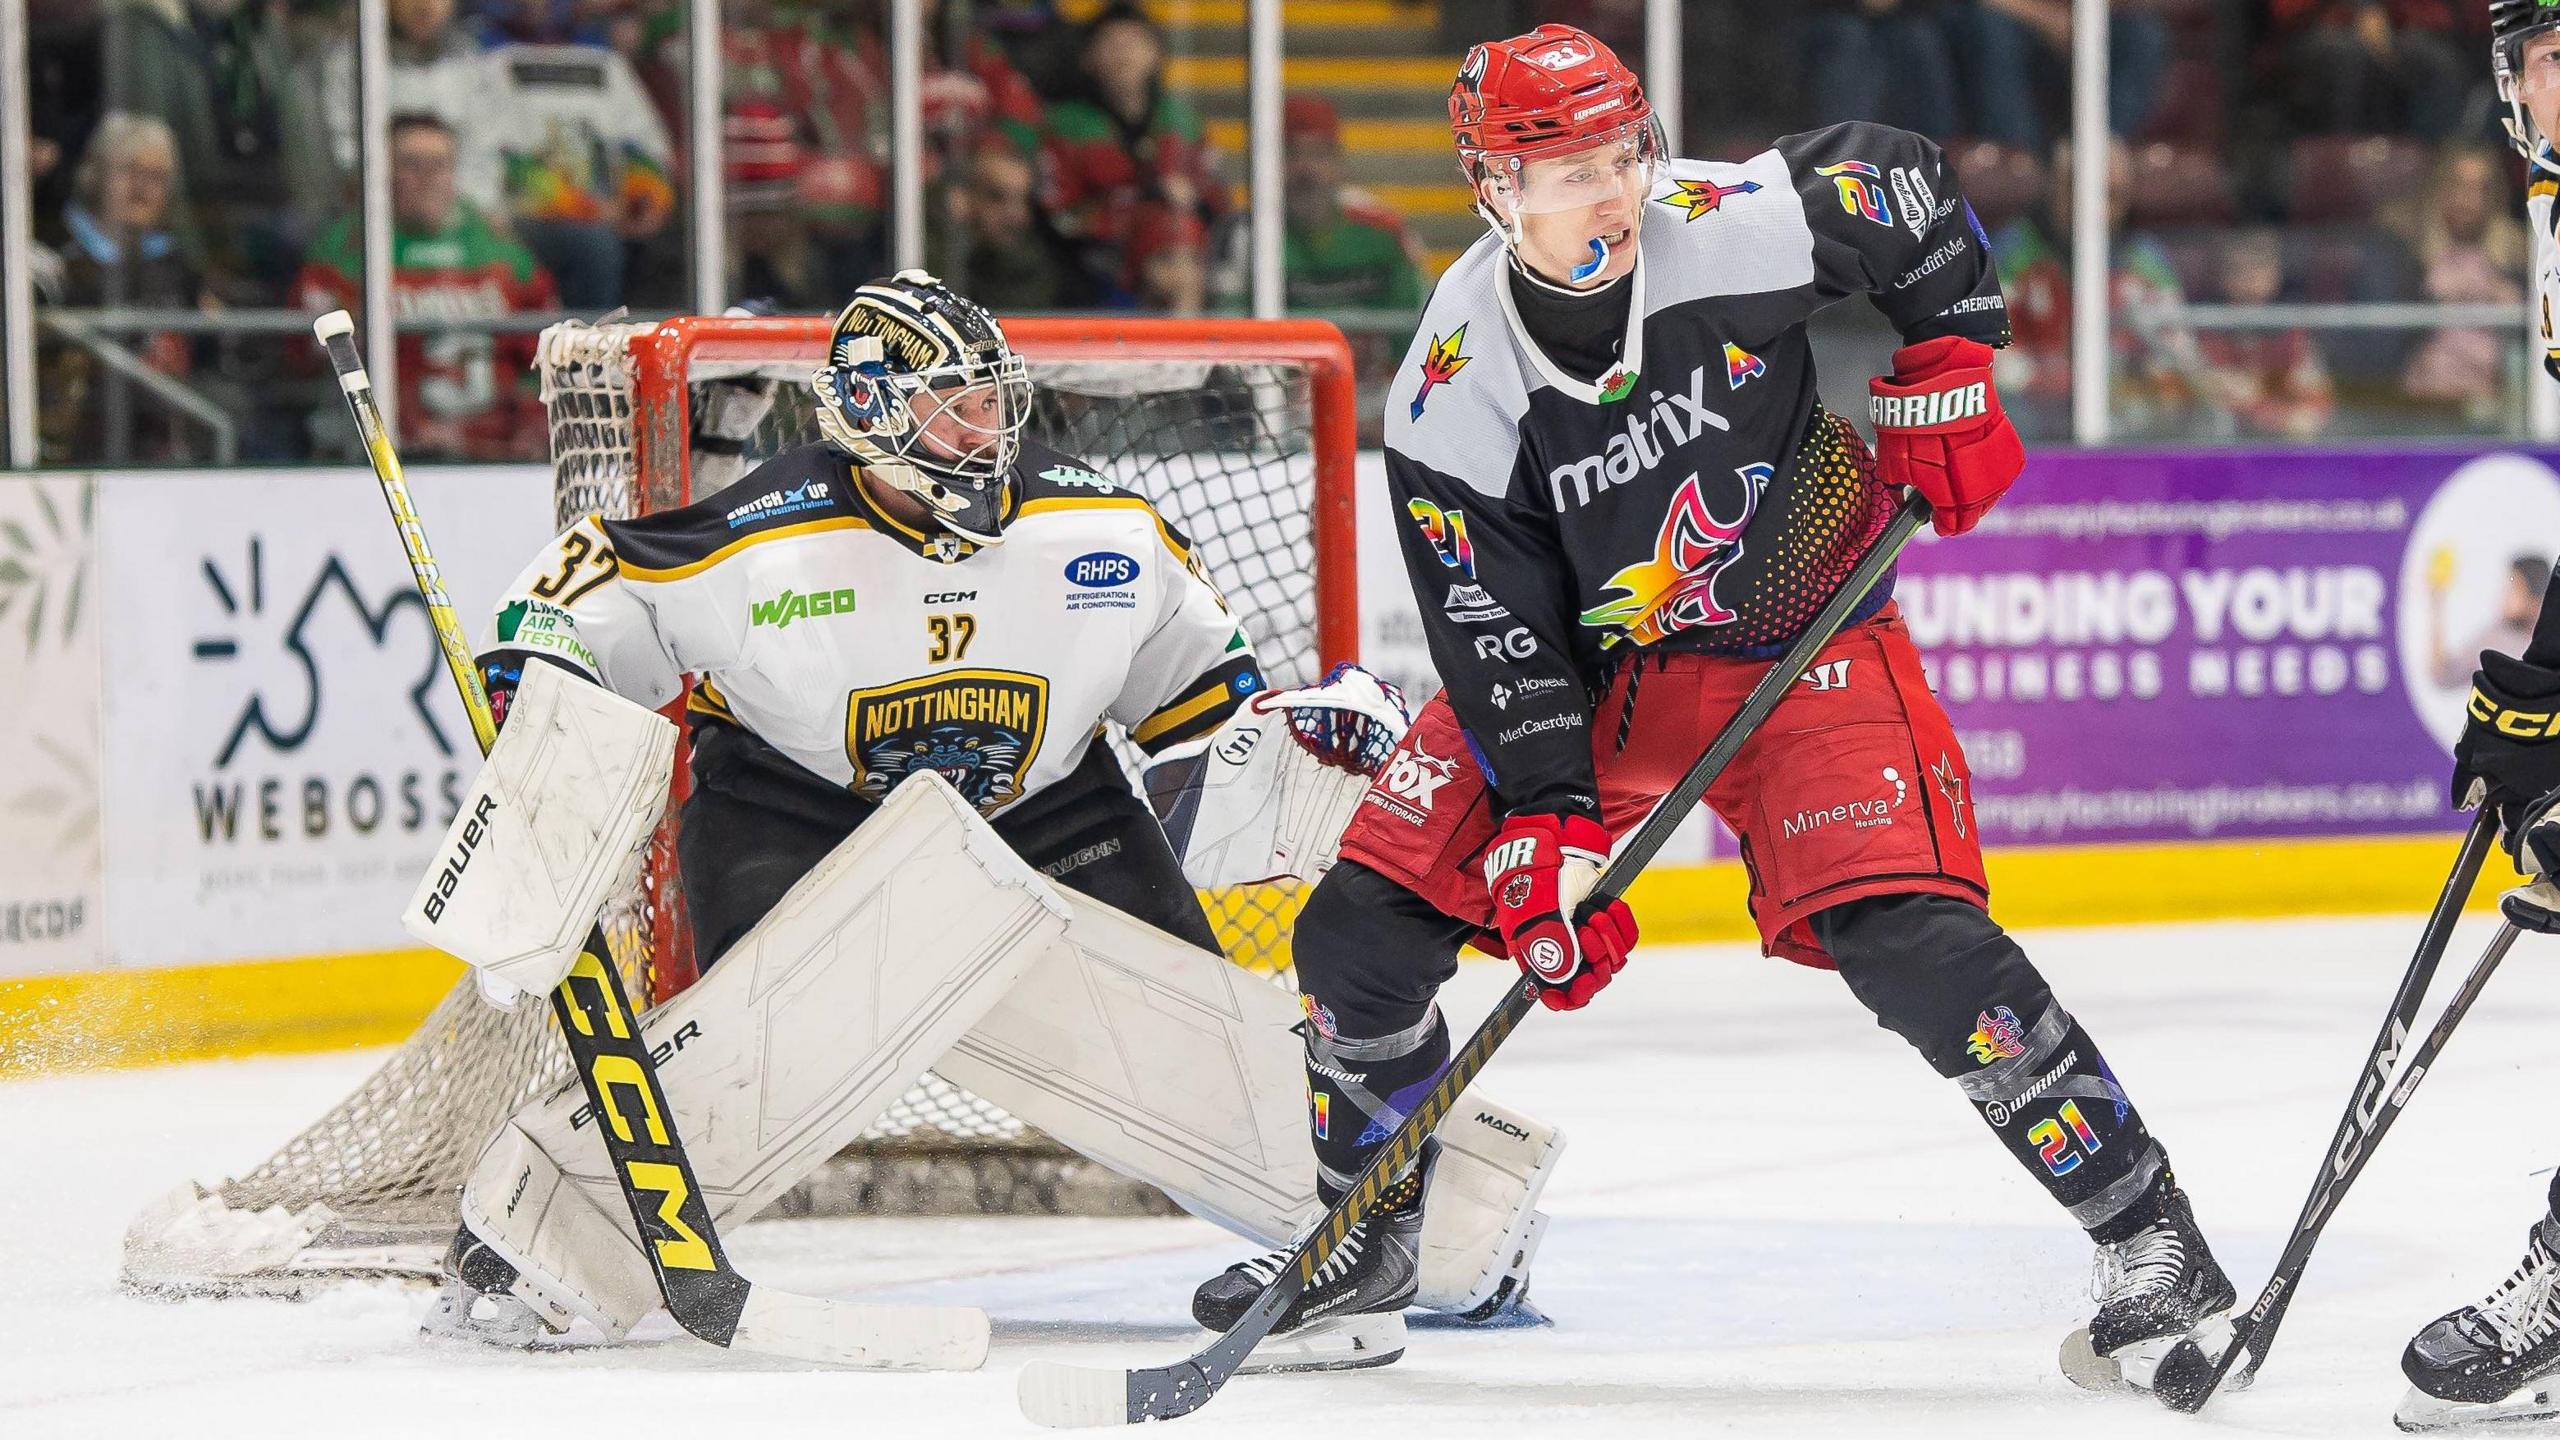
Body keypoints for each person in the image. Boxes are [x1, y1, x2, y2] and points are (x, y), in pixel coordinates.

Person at [1184, 23, 2238, 1394]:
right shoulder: (1453, 382)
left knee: (1911, 938)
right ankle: (1366, 1237)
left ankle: (2151, 1233)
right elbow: (1494, 628)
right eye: (1562, 175)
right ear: (1492, 189)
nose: (1607, 199)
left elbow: (1903, 185)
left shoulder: (1729, 223)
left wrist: (1954, 354)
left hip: (1803, 638)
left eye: (1620, 159)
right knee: (1361, 925)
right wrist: (1549, 826)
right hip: (1591, 674)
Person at [294, 114, 558, 462]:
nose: (428, 178)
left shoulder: (502, 250)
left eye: (439, 165)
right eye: (411, 165)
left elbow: (546, 358)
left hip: (494, 451)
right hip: (390, 452)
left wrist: (528, 424)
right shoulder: (345, 251)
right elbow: (307, 359)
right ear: (382, 174)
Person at [33, 111, 214, 464]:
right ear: (94, 174)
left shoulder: (177, 264)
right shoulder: (51, 256)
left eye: (158, 178)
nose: (143, 190)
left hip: (167, 449)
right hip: (80, 450)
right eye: (130, 171)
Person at [2398, 144, 2532, 426]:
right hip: (2420, 405)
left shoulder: (2520, 256)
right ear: (2439, 189)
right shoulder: (2409, 254)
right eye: (2457, 185)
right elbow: (2382, 339)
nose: (2467, 200)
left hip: (2498, 409)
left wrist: (2511, 304)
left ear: (2494, 196)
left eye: (2479, 188)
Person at [2194, 229, 2333, 441]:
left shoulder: (2293, 332)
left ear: (2275, 276)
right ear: (2223, 277)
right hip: (2219, 443)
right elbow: (2207, 393)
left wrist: (2267, 409)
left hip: (2277, 445)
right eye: (2238, 270)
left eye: (2260, 268)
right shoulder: (2207, 330)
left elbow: (2312, 411)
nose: (2250, 279)